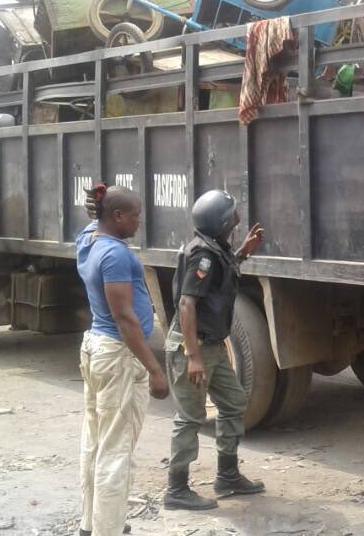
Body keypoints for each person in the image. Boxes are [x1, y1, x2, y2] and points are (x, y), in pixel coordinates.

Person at [164, 190, 267, 510]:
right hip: (193, 345)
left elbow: (217, 280)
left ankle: (227, 475)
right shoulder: (202, 255)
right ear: (222, 222)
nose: (236, 221)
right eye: (232, 217)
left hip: (212, 344)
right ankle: (176, 490)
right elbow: (187, 304)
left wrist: (242, 253)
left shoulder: (213, 248)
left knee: (234, 402)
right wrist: (194, 357)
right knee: (191, 416)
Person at [76, 185, 169, 536]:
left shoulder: (88, 240)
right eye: (134, 215)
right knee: (116, 451)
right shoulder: (115, 254)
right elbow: (125, 319)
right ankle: (108, 530)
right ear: (117, 217)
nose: (139, 222)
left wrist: (96, 208)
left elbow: (90, 222)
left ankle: (92, 525)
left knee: (96, 442)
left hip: (96, 349)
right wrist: (154, 368)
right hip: (117, 354)